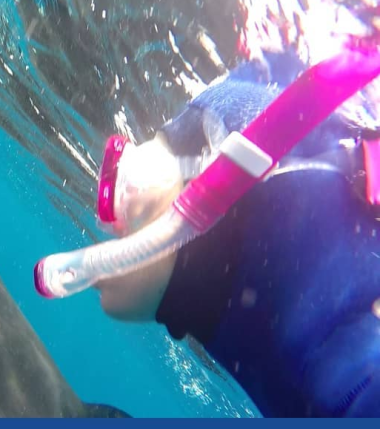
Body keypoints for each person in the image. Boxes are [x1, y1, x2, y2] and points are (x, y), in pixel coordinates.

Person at [34, 45, 380, 417]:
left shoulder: (338, 357)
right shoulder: (312, 341)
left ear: (207, 202)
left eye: (126, 190)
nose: (106, 219)